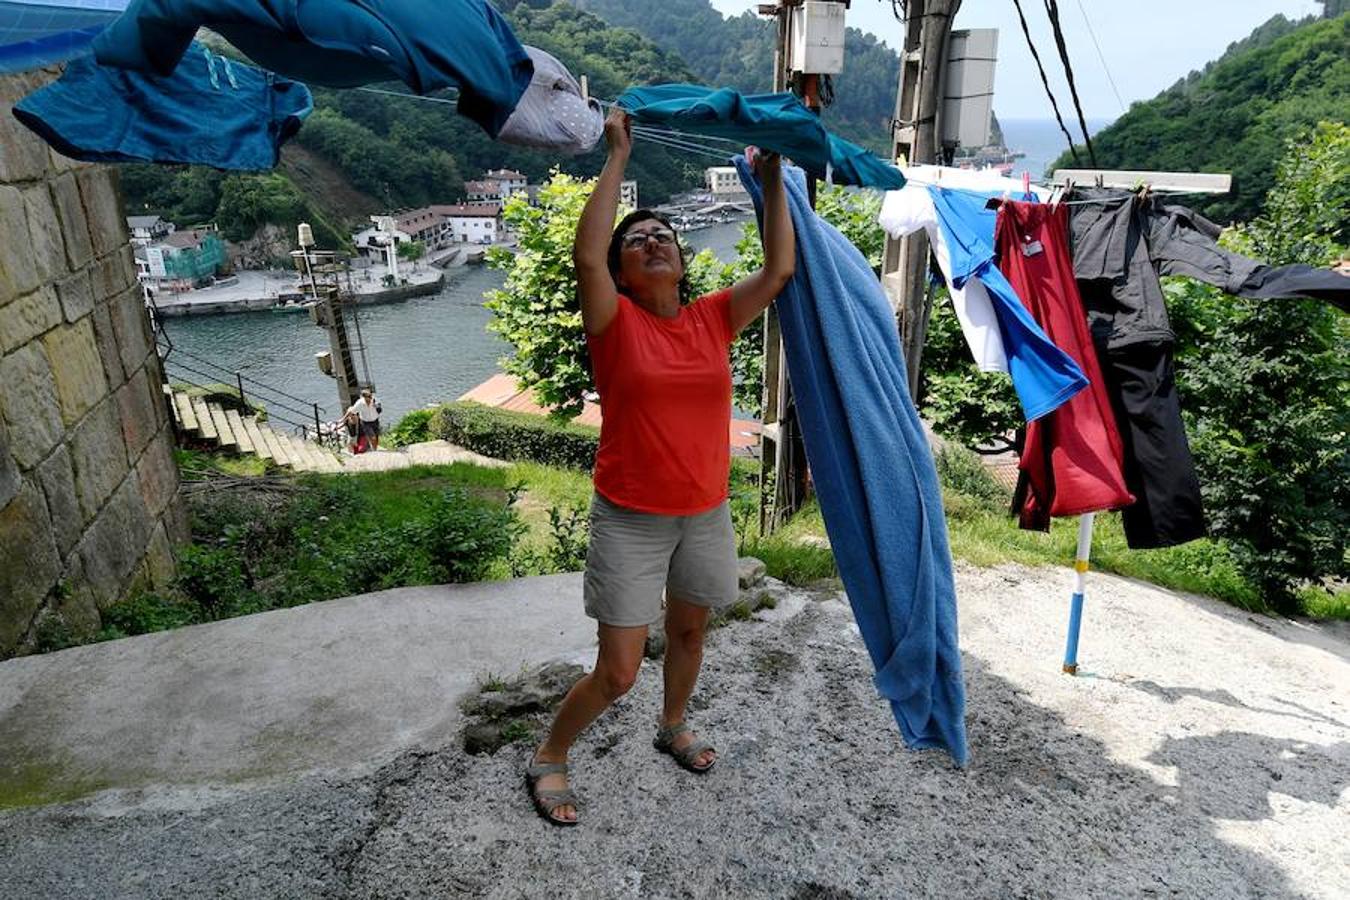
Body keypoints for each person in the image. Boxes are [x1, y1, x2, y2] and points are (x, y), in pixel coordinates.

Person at [526, 108, 795, 826]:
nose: (652, 242)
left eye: (662, 236)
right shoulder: (614, 324)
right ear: (620, 270)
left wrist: (770, 181)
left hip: (704, 509)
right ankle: (550, 754)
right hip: (631, 518)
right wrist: (618, 155)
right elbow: (585, 258)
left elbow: (779, 268)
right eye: (636, 241)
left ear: (680, 259)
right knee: (617, 671)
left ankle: (673, 723)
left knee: (690, 632)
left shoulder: (712, 317)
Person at [346, 387, 382, 452]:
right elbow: (352, 411)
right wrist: (347, 419)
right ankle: (374, 451)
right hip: (366, 422)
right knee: (372, 437)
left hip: (375, 420)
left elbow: (380, 411)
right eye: (369, 396)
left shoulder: (375, 400)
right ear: (364, 397)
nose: (371, 397)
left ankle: (375, 449)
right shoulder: (360, 403)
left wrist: (376, 406)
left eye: (371, 395)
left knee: (376, 437)